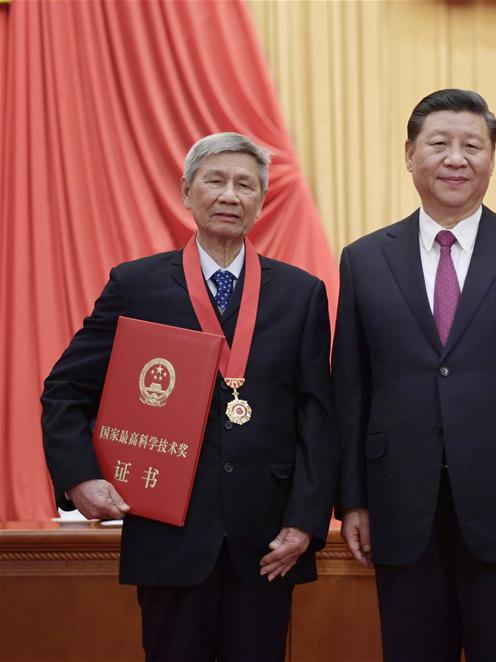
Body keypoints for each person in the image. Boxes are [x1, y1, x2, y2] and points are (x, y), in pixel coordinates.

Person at [41, 132, 337, 661]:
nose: (230, 195)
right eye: (215, 181)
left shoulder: (301, 293)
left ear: (262, 200)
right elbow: (65, 389)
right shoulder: (136, 286)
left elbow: (316, 415)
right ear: (186, 191)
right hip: (168, 538)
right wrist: (80, 477)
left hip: (268, 544)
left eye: (245, 185)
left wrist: (306, 522)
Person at [332, 89, 496, 661]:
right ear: (409, 154)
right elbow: (351, 389)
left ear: (492, 159)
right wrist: (352, 500)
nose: (456, 159)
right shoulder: (364, 259)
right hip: (401, 507)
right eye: (439, 144)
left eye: (472, 146)